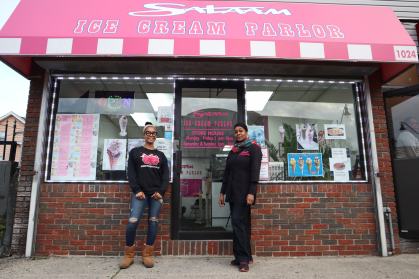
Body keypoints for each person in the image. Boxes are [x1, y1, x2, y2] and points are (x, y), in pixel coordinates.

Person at [119, 122, 169, 269]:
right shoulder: (135, 152)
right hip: (140, 193)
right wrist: (136, 190)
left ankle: (147, 255)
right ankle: (128, 256)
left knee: (153, 222)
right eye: (148, 133)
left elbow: (165, 176)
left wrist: (161, 191)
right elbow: (131, 173)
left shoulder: (161, 155)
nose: (151, 135)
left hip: (156, 195)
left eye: (154, 133)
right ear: (144, 135)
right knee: (132, 222)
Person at [218, 123, 262, 272]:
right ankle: (244, 256)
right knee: (239, 224)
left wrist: (252, 192)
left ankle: (243, 260)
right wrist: (222, 193)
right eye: (236, 131)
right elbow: (227, 173)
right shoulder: (234, 151)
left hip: (244, 194)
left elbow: (255, 172)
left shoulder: (253, 148)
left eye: (241, 131)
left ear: (246, 132)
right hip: (232, 193)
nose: (238, 133)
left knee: (238, 223)